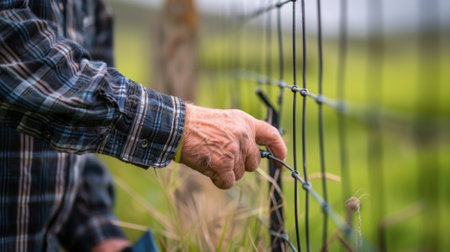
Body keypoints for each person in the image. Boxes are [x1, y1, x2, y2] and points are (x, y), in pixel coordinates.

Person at [0, 0, 287, 251]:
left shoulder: (91, 5)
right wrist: (184, 128)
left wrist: (98, 236)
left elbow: (76, 126)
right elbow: (10, 49)